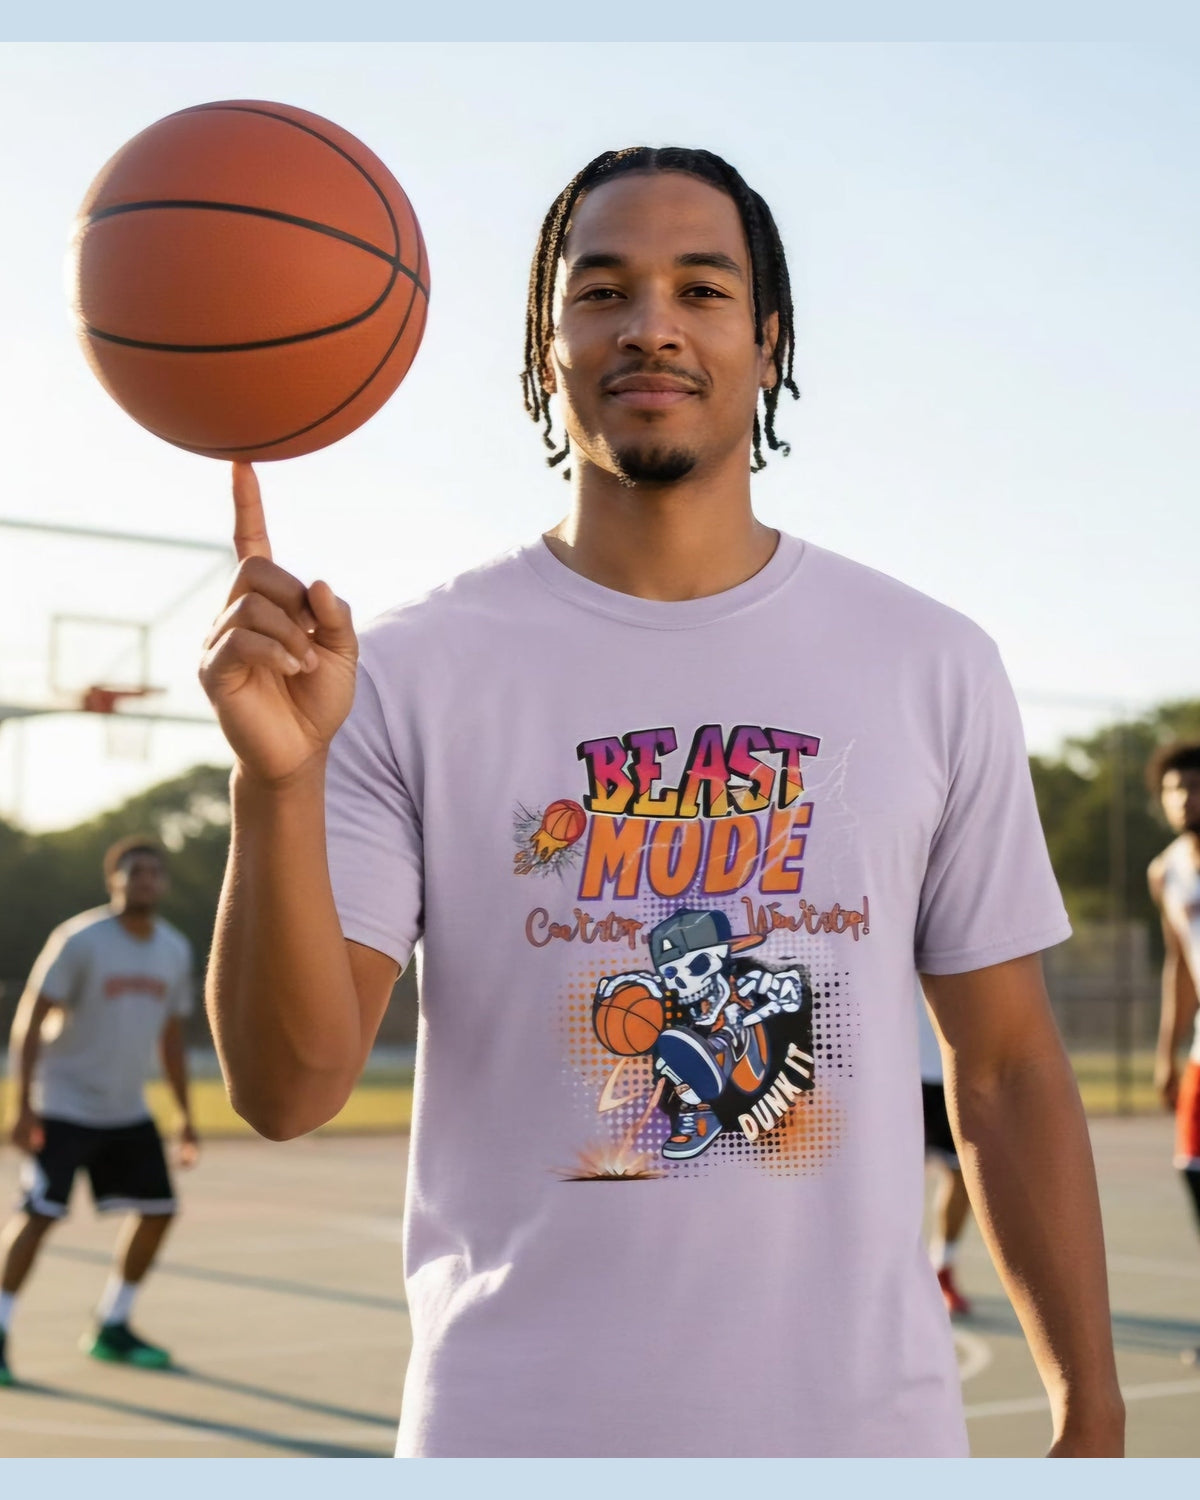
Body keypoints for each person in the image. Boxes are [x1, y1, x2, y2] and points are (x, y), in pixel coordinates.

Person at [200, 146, 1124, 1457]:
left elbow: (1013, 1065)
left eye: (701, 288)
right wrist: (275, 783)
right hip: (511, 1438)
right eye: (603, 291)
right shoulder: (400, 673)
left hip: (867, 1443)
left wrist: (1092, 1411)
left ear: (768, 338)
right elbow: (286, 1091)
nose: (651, 326)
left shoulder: (929, 663)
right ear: (547, 345)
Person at [0, 837, 198, 1386]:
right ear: (114, 880)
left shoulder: (173, 948)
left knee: (158, 1210)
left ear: (163, 883)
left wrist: (184, 1114)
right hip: (63, 1104)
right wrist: (23, 1105)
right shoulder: (80, 939)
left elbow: (171, 1038)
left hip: (125, 1108)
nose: (145, 880)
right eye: (135, 872)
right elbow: (30, 1018)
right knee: (39, 1214)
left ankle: (112, 1324)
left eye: (154, 872)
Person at [1146, 741, 1200, 1365]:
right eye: (1175, 789)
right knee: (1194, 1170)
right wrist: (1167, 1054)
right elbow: (1179, 967)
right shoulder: (1166, 871)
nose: (1185, 798)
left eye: (1195, 786)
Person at [918, 984, 974, 1317]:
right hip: (901, 1075)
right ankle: (890, 1275)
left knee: (962, 1175)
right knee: (892, 1181)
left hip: (955, 1073)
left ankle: (943, 1269)